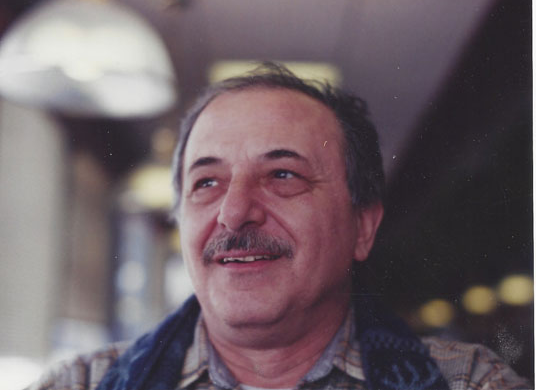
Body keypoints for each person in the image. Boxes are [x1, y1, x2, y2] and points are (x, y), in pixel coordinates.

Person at [29, 63, 530, 390]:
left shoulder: (469, 382)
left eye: (282, 175)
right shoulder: (80, 384)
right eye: (207, 182)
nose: (233, 211)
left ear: (362, 227)